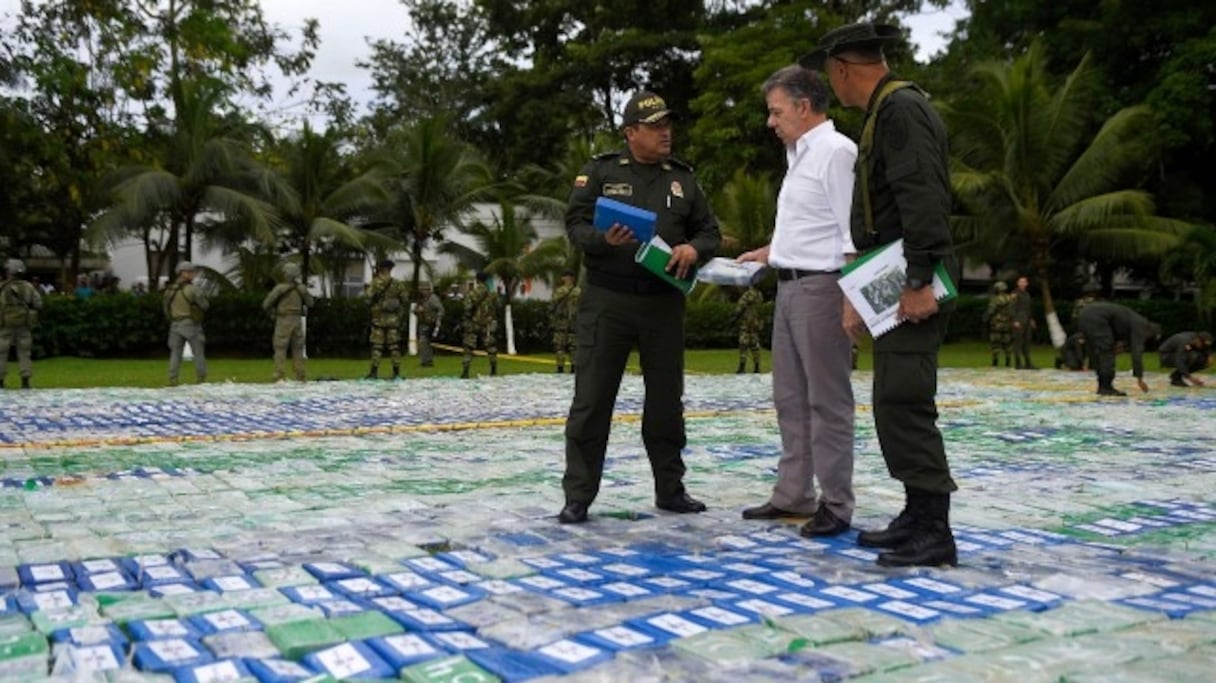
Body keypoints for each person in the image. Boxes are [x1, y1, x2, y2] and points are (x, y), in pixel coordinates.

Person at [807, 22, 959, 567]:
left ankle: (934, 529)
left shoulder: (899, 111)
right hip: (894, 274)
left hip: (911, 278)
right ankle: (917, 514)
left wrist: (918, 280)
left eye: (831, 73)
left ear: (843, 69)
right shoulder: (887, 111)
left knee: (906, 399)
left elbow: (922, 197)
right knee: (895, 398)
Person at [558, 89, 722, 524]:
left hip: (663, 303)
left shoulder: (683, 179)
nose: (665, 133)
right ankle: (578, 496)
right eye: (655, 127)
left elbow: (710, 231)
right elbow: (573, 223)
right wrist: (601, 239)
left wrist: (692, 249)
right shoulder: (601, 172)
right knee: (592, 400)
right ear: (632, 133)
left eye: (668, 125)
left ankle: (670, 489)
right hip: (607, 301)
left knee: (667, 403)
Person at [735, 64, 857, 537]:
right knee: (790, 399)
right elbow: (813, 225)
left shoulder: (835, 152)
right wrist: (772, 252)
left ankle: (837, 503)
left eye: (776, 111)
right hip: (788, 286)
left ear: (804, 108)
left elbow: (849, 233)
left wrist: (850, 298)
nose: (771, 122)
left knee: (828, 401)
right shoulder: (799, 155)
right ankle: (794, 495)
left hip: (823, 290)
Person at [1075, 301, 1161, 396]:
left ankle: (1102, 384)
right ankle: (1106, 387)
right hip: (1098, 317)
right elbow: (1136, 352)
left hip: (1084, 314)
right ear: (1150, 332)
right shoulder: (1142, 326)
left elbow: (1117, 337)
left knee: (1098, 351)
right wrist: (1139, 378)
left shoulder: (1133, 320)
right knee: (1106, 353)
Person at [262, 262, 314, 382]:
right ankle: (300, 375)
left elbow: (266, 304)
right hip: (297, 321)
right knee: (298, 348)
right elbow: (310, 303)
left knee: (280, 347)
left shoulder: (280, 288)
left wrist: (272, 311)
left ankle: (279, 374)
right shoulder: (301, 289)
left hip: (283, 320)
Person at [163, 262, 209, 386]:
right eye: (189, 272)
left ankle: (173, 379)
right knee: (198, 352)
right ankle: (201, 378)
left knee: (175, 353)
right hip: (191, 324)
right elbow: (205, 305)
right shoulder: (193, 289)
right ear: (183, 273)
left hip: (175, 324)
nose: (192, 274)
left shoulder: (170, 290)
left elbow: (166, 309)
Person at [0, 259, 43, 389]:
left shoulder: (2, 286)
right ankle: (25, 381)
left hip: (5, 324)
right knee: (24, 352)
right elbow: (38, 304)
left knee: (1, 353)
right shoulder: (28, 287)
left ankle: (0, 381)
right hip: (23, 324)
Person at [365, 259, 408, 380]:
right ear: (390, 269)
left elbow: (368, 298)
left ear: (381, 269)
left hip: (378, 320)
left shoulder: (375, 283)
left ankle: (374, 372)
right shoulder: (397, 283)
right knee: (394, 347)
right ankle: (396, 373)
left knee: (377, 347)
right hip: (393, 320)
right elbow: (404, 299)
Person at [460, 272, 499, 378]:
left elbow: (467, 308)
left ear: (477, 280)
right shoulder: (493, 294)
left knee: (469, 347)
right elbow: (497, 308)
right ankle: (493, 370)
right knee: (491, 347)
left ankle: (465, 371)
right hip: (488, 324)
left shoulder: (473, 293)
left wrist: (467, 319)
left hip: (474, 323)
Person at [550, 270, 581, 374]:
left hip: (561, 323)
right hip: (574, 323)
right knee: (574, 347)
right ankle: (573, 368)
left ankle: (560, 368)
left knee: (560, 347)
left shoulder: (559, 291)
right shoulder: (579, 291)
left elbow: (552, 304)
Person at [733, 284, 764, 374]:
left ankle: (742, 367)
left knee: (743, 344)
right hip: (756, 323)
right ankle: (757, 367)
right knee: (755, 345)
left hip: (746, 323)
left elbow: (740, 308)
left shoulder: (746, 295)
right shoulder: (759, 294)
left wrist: (734, 318)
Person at [413, 281, 444, 368]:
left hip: (431, 323)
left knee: (425, 342)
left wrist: (438, 320)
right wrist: (417, 311)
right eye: (421, 290)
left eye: (424, 289)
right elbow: (415, 310)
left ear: (429, 290)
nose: (422, 291)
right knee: (423, 343)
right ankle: (425, 360)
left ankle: (427, 361)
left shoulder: (433, 299)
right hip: (422, 323)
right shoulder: (421, 300)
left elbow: (441, 309)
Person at [984, 281, 1014, 367]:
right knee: (1007, 342)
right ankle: (1008, 361)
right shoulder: (1010, 298)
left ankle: (995, 361)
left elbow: (991, 311)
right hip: (1008, 323)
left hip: (997, 324)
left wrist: (986, 318)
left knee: (995, 342)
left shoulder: (996, 299)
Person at [1010, 275, 1037, 369]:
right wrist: (1014, 320)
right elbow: (1012, 308)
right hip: (1019, 321)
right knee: (1018, 342)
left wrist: (1031, 319)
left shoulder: (1027, 294)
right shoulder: (1015, 294)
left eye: (1024, 282)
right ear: (1018, 283)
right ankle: (1018, 363)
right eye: (1020, 282)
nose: (1022, 283)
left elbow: (1027, 309)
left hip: (1027, 321)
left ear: (1027, 283)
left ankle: (1028, 363)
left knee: (1027, 342)